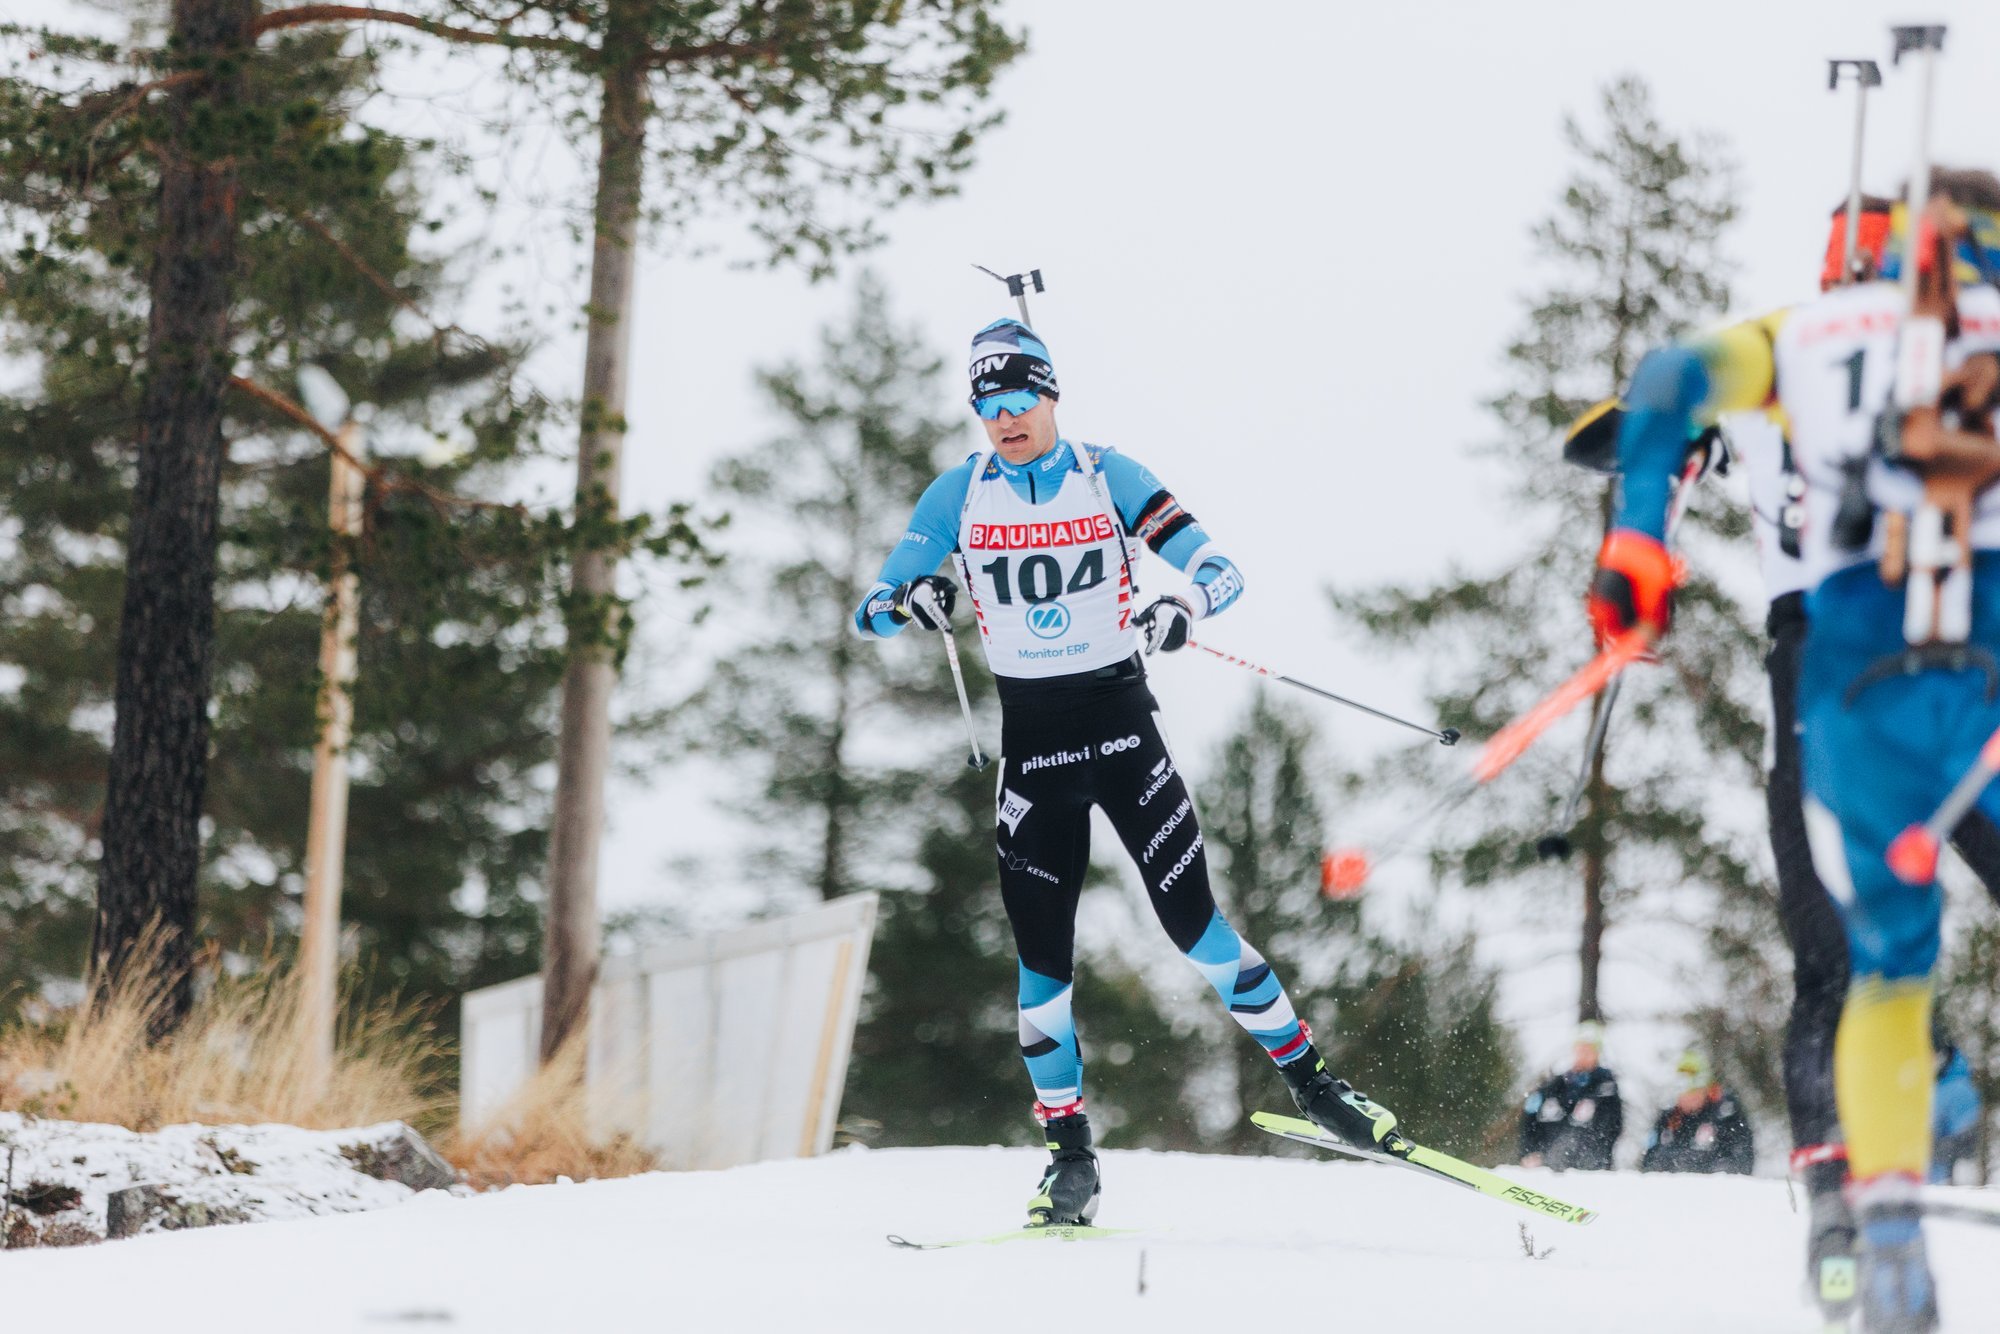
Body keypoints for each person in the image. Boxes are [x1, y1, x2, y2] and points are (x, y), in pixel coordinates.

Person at [854, 317, 1397, 1226]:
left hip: (1122, 734)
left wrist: (1180, 604)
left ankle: (1316, 1087)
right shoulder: (958, 493)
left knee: (1199, 930)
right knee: (1041, 972)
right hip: (1034, 755)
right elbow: (869, 609)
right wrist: (911, 596)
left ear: (1052, 394)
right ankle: (1070, 1158)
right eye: (988, 407)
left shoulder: (1111, 476)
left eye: (1020, 400)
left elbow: (1219, 568)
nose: (1006, 420)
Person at [1566, 192, 2000, 1323]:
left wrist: (1639, 527)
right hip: (1926, 645)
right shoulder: (1908, 333)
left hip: (1838, 663)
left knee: (1850, 946)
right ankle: (1838, 1186)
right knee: (1833, 949)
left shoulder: (1786, 347)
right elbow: (1643, 417)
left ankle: (1858, 1187)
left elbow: (1653, 396)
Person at [1518, 1021, 1623, 1172]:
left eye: (1589, 1050)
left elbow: (1610, 1127)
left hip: (1587, 1168)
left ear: (1597, 1053)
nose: (1583, 1054)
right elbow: (1531, 1119)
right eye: (1580, 1048)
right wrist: (1529, 1152)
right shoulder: (1555, 1085)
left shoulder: (1606, 1086)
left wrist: (1590, 1160)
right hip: (1546, 1167)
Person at [1640, 1051, 1754, 1176]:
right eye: (1683, 1092)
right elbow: (1650, 1159)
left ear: (1705, 1089)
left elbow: (1739, 1160)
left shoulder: (1725, 1113)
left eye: (1693, 1091)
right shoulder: (1669, 1117)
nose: (1687, 1098)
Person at [1930, 1024, 1981, 1185]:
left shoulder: (1959, 1089)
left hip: (1943, 1181)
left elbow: (1965, 1143)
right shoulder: (1934, 1085)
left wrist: (1931, 1149)